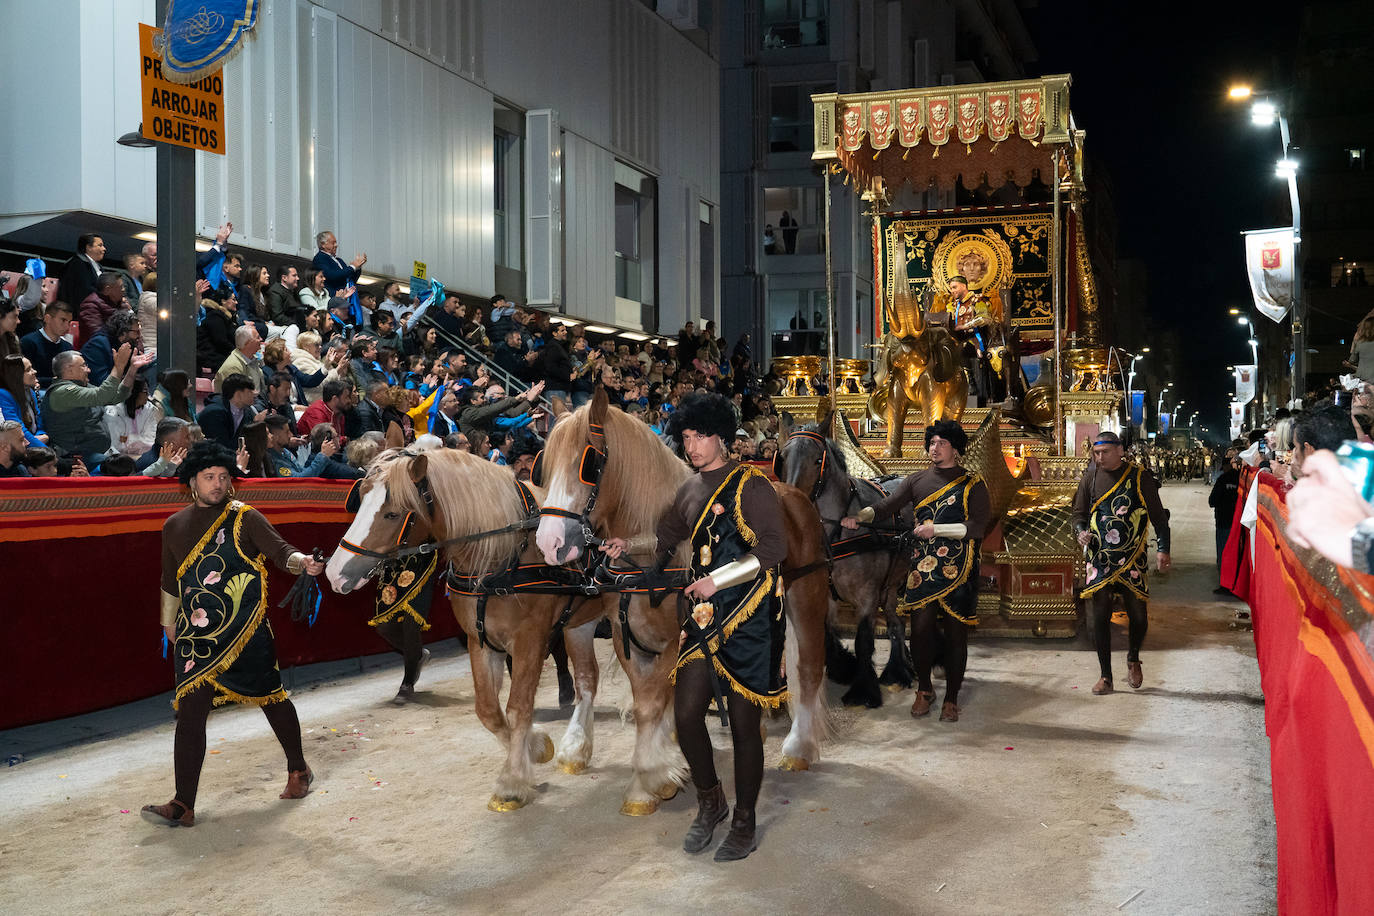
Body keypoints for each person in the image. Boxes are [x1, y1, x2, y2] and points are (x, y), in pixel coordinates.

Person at [601, 393, 787, 862]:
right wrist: (628, 544)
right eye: (685, 437)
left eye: (700, 436)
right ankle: (711, 801)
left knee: (746, 727)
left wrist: (716, 579)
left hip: (750, 617)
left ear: (722, 436)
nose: (692, 445)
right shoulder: (687, 490)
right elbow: (665, 539)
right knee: (686, 717)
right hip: (702, 621)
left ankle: (744, 820)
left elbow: (773, 548)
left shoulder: (752, 485)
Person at [141, 441, 324, 828]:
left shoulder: (245, 517)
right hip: (197, 637)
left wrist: (302, 562)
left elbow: (280, 551)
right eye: (209, 477)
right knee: (190, 714)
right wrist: (168, 624)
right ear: (191, 481)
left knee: (271, 699)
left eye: (224, 477)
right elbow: (170, 580)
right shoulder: (173, 526)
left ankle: (298, 769)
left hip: (247, 631)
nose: (218, 484)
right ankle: (183, 803)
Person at [841, 420, 991, 721]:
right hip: (922, 566)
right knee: (920, 631)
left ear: (955, 448)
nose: (934, 448)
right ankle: (924, 689)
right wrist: (860, 517)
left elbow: (978, 527)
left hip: (959, 567)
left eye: (942, 443)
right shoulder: (916, 480)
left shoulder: (973, 484)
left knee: (955, 633)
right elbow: (886, 506)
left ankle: (951, 697)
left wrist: (937, 528)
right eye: (932, 442)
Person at [1071, 430, 1172, 695]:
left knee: (1138, 616)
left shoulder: (1140, 477)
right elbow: (1078, 514)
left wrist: (1163, 549)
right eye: (1096, 453)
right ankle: (1106, 676)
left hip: (1132, 558)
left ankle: (1133, 657)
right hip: (1099, 556)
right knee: (1100, 616)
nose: (1099, 457)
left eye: (1104, 452)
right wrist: (1080, 531)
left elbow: (1159, 518)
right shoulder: (1090, 477)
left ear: (1120, 451)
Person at [41, 346, 155, 463]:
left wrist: (132, 369)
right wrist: (118, 366)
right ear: (69, 369)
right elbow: (102, 395)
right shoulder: (62, 392)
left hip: (99, 451)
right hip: (76, 456)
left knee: (145, 461)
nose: (88, 370)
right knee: (123, 466)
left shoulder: (82, 386)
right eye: (83, 366)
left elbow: (117, 397)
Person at [198, 374, 264, 451]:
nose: (255, 394)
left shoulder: (248, 412)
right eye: (250, 391)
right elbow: (219, 445)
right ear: (238, 394)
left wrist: (256, 424)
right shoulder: (213, 413)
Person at [1208, 452, 1242, 594]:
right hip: (1239, 523)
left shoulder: (1222, 480)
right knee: (1236, 553)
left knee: (1223, 553)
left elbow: (1212, 501)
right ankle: (1236, 583)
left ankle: (1226, 585)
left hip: (1223, 522)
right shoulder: (1242, 479)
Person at [21, 301, 75, 387]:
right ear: (47, 318)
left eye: (69, 322)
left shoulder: (68, 347)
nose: (67, 326)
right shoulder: (28, 342)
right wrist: (58, 381)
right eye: (63, 320)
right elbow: (25, 377)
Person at [102, 378, 158, 459]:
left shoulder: (149, 409)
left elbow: (151, 439)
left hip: (141, 456)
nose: (148, 395)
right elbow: (114, 445)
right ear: (133, 392)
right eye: (145, 391)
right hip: (117, 459)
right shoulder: (113, 412)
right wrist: (138, 441)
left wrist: (128, 438)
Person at [0, 354, 47, 447]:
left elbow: (39, 420)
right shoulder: (3, 395)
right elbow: (17, 428)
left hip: (34, 440)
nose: (34, 371)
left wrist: (41, 435)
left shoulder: (30, 391)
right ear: (16, 374)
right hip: (19, 446)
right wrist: (44, 449)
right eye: (28, 370)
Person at [57, 233, 104, 317]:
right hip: (80, 314)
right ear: (88, 247)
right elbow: (83, 290)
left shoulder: (98, 266)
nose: (104, 249)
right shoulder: (77, 263)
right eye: (100, 245)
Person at [215, 325, 265, 392]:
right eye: (258, 337)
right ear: (248, 343)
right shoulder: (233, 367)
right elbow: (238, 399)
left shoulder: (252, 359)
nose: (261, 339)